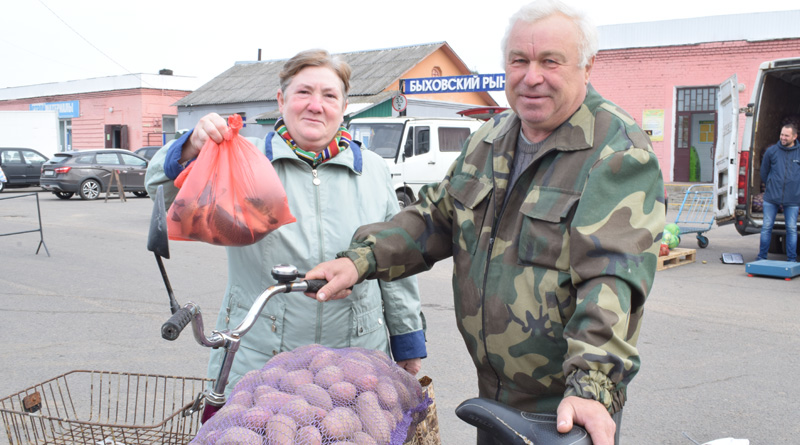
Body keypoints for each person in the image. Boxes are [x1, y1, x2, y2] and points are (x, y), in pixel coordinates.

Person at [306, 1, 665, 444]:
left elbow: (611, 279)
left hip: (565, 409)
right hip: (494, 396)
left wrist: (592, 388)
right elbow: (436, 218)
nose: (531, 76)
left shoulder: (617, 152)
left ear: (586, 66)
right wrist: (360, 260)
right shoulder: (491, 139)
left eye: (550, 61)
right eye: (519, 60)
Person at [145, 49, 426, 394]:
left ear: (343, 106)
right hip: (262, 357)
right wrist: (191, 146)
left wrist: (408, 340)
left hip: (356, 360)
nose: (315, 105)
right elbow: (158, 189)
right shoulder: (241, 161)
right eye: (304, 92)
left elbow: (394, 259)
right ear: (281, 99)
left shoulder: (373, 170)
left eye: (329, 95)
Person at [756, 123, 800, 262]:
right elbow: (764, 172)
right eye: (782, 134)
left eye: (786, 135)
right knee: (767, 227)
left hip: (793, 198)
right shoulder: (771, 151)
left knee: (792, 229)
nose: (783, 137)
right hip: (771, 197)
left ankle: (791, 260)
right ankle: (762, 257)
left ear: (794, 136)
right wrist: (770, 184)